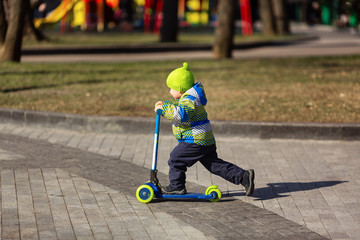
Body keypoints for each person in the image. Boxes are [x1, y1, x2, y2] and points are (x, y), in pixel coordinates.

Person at [154, 62, 255, 196]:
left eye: (171, 88)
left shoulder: (189, 100)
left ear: (179, 89)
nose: (169, 91)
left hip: (195, 140)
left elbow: (181, 114)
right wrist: (166, 105)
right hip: (204, 139)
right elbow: (179, 107)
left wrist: (164, 109)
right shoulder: (189, 98)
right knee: (213, 165)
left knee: (175, 158)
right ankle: (243, 176)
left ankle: (177, 186)